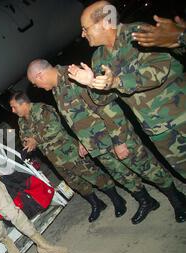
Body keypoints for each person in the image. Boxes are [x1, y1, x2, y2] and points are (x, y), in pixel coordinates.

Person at [28, 60, 185, 224]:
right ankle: (147, 201)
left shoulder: (74, 76)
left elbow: (109, 108)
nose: (36, 86)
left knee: (146, 167)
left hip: (113, 136)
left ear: (40, 75)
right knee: (122, 175)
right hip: (96, 144)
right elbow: (77, 117)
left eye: (34, 83)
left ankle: (178, 200)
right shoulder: (57, 88)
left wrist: (119, 141)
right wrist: (83, 141)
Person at [68, 1, 186, 180]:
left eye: (85, 28)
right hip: (156, 129)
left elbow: (158, 72)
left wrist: (116, 81)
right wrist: (91, 82)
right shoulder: (98, 58)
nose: (83, 34)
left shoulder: (139, 33)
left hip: (181, 116)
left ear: (105, 23)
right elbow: (103, 99)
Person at [10, 91, 123, 223]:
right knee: (75, 182)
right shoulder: (21, 121)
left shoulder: (43, 109)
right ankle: (97, 204)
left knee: (93, 175)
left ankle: (118, 199)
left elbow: (55, 127)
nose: (12, 110)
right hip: (54, 158)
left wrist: (35, 139)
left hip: (69, 152)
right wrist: (27, 143)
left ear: (23, 104)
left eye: (14, 107)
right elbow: (25, 138)